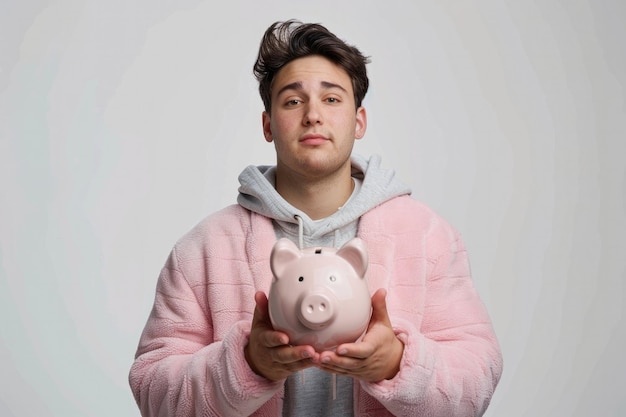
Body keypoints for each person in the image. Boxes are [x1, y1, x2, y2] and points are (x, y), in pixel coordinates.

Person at [129, 19, 503, 417]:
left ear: (359, 121)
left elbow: (477, 381)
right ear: (268, 125)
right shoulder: (202, 249)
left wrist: (397, 363)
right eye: (292, 101)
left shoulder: (427, 236)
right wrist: (247, 363)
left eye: (332, 99)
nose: (312, 115)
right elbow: (153, 392)